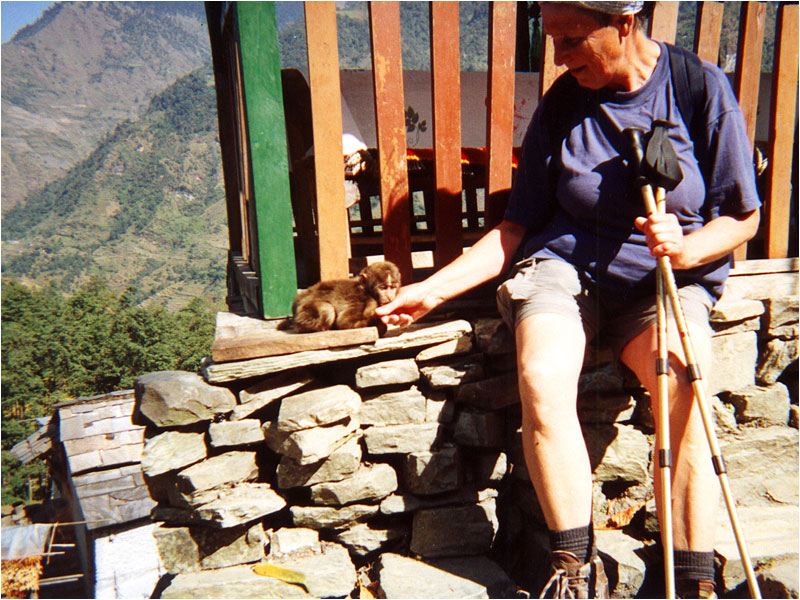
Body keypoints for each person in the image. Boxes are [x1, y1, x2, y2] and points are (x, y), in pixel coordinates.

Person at [376, 2, 760, 598]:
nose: (559, 56)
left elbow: (741, 216)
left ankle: (691, 579)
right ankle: (573, 570)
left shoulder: (697, 88)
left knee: (685, 384)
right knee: (541, 375)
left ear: (624, 24)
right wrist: (430, 290)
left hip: (663, 280)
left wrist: (686, 249)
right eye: (552, 38)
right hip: (564, 270)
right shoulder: (563, 103)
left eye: (573, 38)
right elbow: (515, 229)